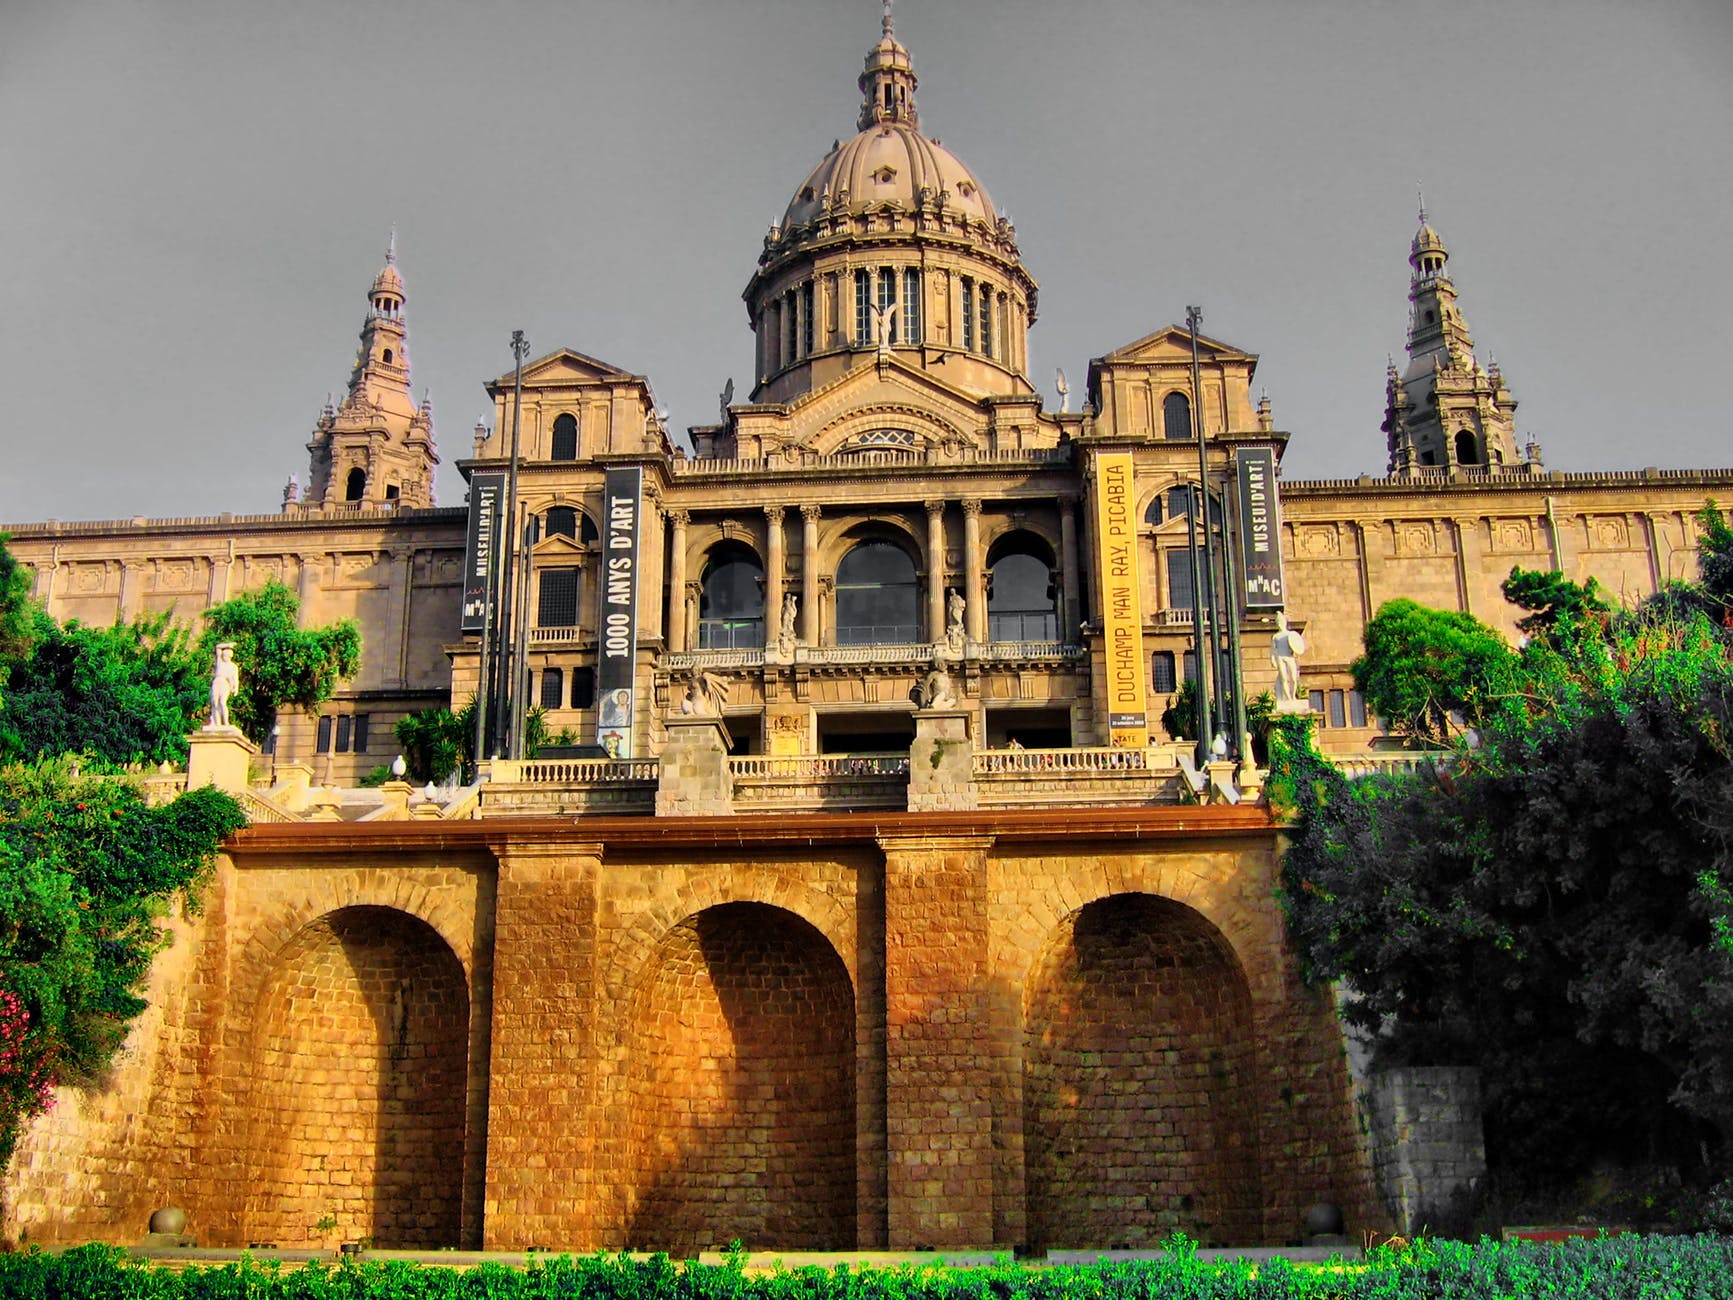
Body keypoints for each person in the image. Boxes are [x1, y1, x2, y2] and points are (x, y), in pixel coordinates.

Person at [1271, 610, 1308, 708]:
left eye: (1280, 622)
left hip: (1289, 657)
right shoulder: (1275, 636)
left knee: (1293, 678)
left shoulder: (1290, 634)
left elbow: (1296, 646)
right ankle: (1287, 698)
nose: (1279, 624)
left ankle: (1293, 696)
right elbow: (1274, 650)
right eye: (1277, 623)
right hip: (1280, 657)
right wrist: (1273, 659)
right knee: (1283, 678)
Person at [208, 642, 240, 729]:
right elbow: (217, 647)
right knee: (215, 702)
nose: (224, 657)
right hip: (217, 682)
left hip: (225, 683)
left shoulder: (233, 666)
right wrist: (228, 645)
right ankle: (216, 722)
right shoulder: (220, 662)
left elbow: (235, 679)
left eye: (226, 656)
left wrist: (235, 688)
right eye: (223, 655)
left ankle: (226, 722)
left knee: (222, 702)